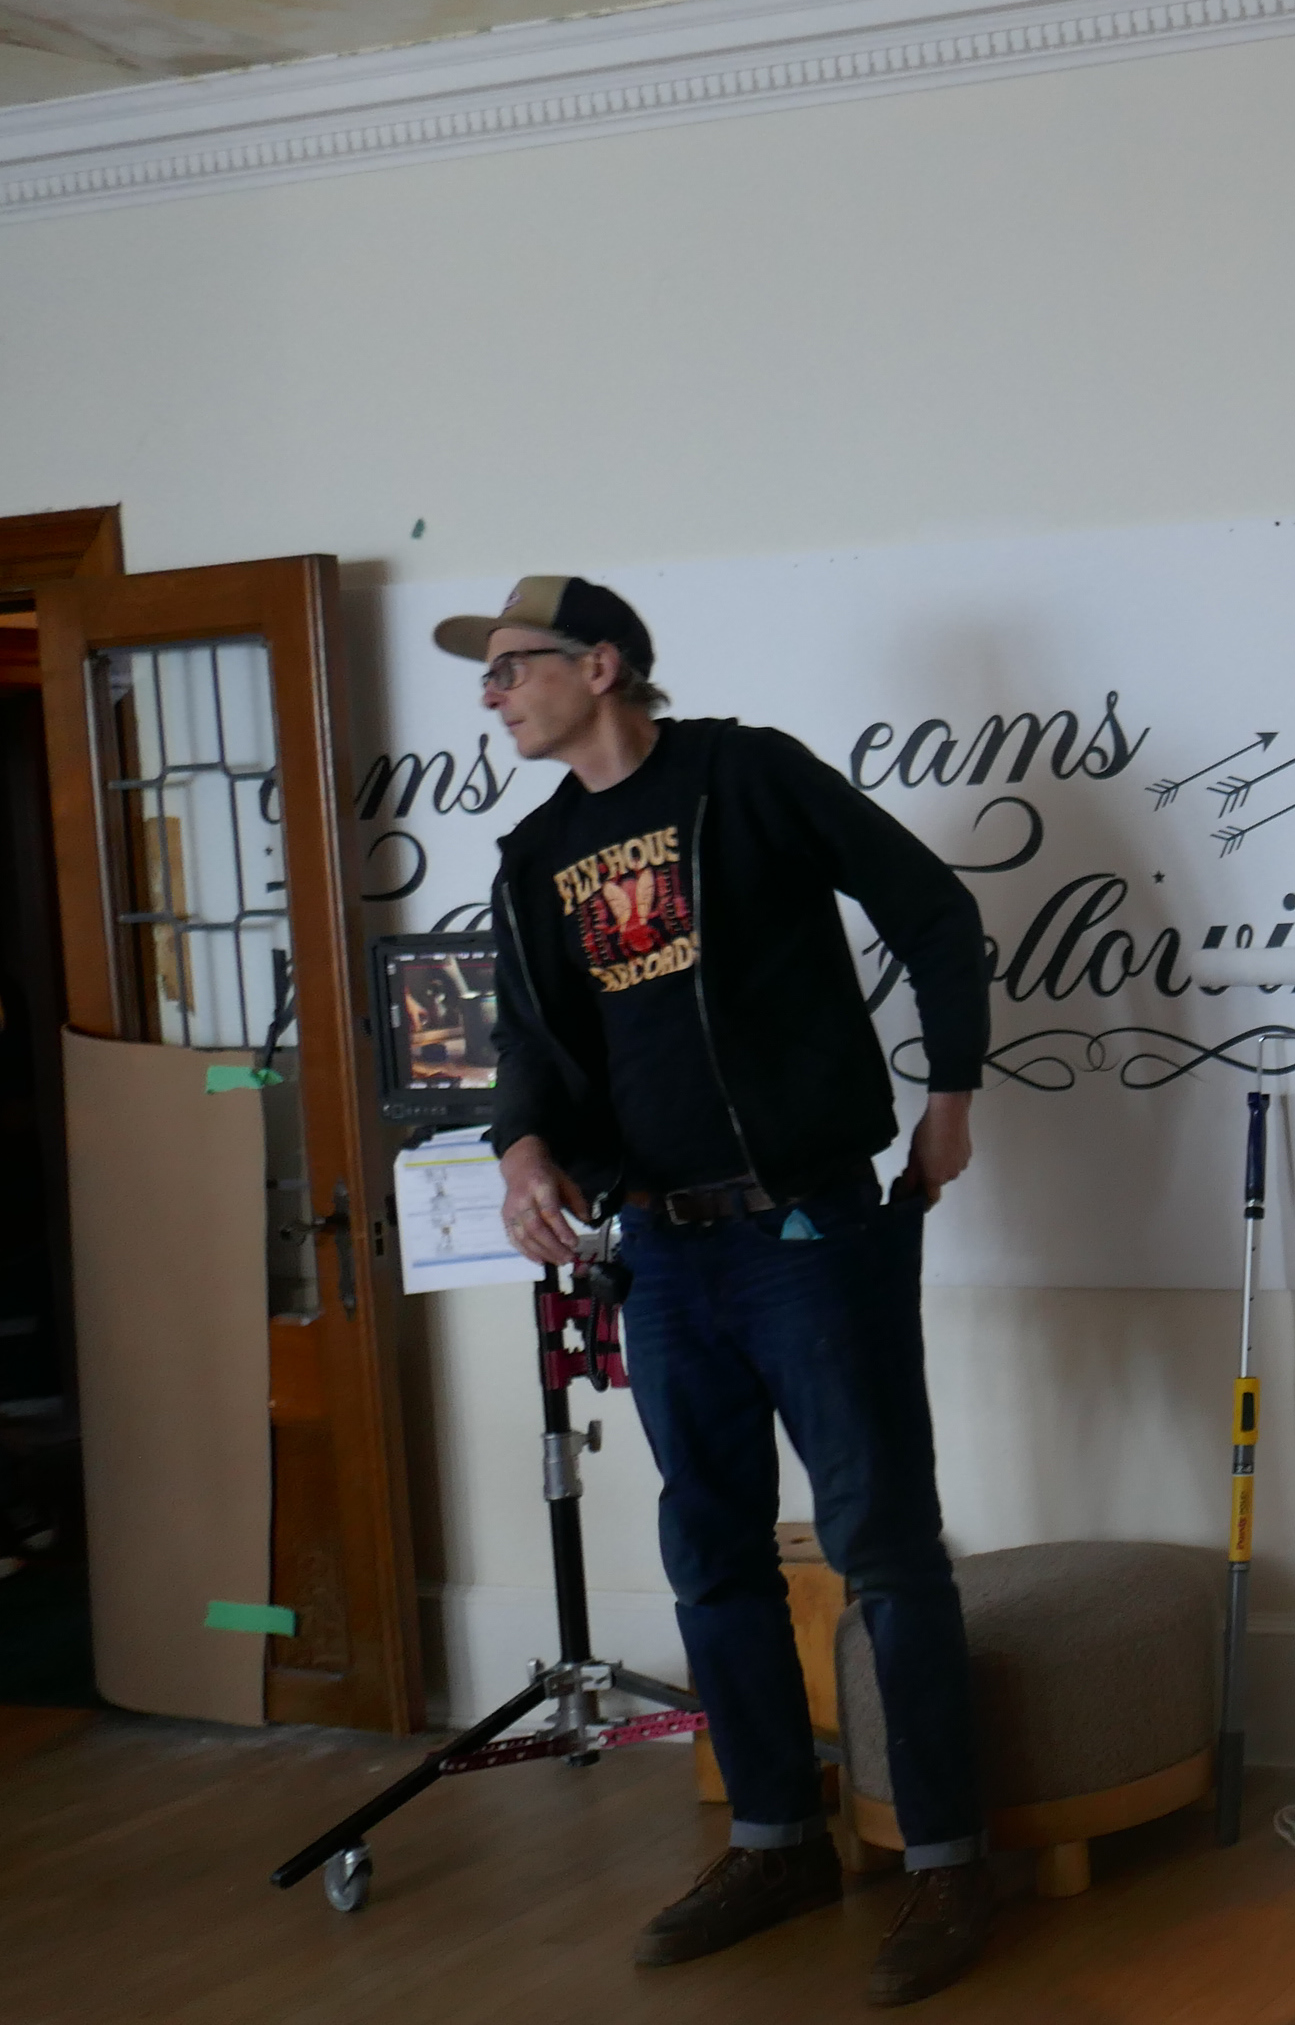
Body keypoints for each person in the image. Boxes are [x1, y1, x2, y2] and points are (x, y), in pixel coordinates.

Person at [455, 577, 999, 2006]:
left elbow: (933, 909)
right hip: (661, 1248)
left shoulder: (744, 776)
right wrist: (521, 1151)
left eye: (512, 667)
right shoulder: (535, 855)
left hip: (809, 1224)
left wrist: (949, 1094)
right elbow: (531, 1047)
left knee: (882, 1545)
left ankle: (949, 1860)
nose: (492, 695)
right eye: (485, 676)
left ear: (603, 665)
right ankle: (776, 1844)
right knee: (710, 1552)